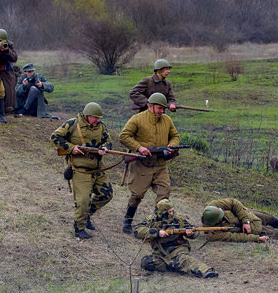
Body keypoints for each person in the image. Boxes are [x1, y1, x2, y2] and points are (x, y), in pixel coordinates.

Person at [118, 92, 181, 233]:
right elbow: (123, 136)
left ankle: (158, 223)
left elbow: (175, 136)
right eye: (159, 108)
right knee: (137, 195)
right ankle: (127, 221)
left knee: (164, 194)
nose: (162, 111)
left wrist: (172, 144)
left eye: (163, 108)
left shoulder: (167, 120)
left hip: (160, 164)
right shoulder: (137, 119)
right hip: (141, 164)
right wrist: (139, 147)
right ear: (150, 106)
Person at [51, 102, 115, 239]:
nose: (97, 120)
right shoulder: (72, 124)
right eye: (95, 118)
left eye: (98, 118)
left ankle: (86, 216)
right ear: (87, 116)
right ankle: (79, 228)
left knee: (107, 195)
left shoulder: (101, 127)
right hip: (80, 170)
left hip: (98, 168)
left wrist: (104, 148)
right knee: (83, 200)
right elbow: (55, 137)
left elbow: (108, 141)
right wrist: (71, 148)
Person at [133, 199, 217, 279]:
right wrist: (157, 232)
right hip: (160, 252)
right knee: (146, 263)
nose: (172, 213)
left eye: (172, 211)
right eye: (169, 212)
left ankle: (206, 271)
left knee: (185, 260)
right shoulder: (152, 220)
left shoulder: (178, 219)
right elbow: (137, 231)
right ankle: (175, 266)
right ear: (162, 212)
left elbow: (194, 231)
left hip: (178, 249)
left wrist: (190, 233)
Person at [201, 199, 278, 242]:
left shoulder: (213, 205)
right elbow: (235, 237)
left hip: (246, 215)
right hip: (246, 230)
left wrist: (245, 221)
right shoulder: (212, 233)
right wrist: (256, 239)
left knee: (268, 217)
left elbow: (234, 203)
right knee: (276, 233)